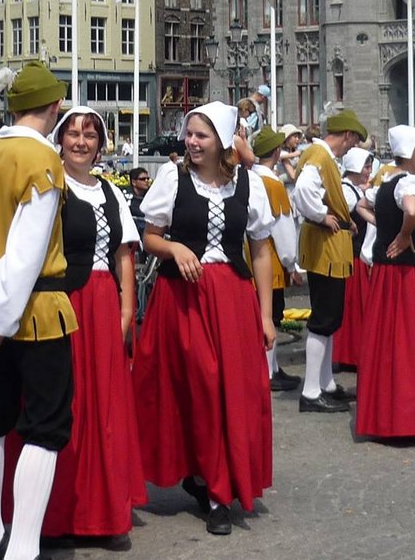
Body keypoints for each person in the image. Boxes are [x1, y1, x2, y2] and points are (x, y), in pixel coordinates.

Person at [0, 61, 85, 560]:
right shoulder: (43, 161)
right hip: (34, 312)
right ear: (54, 107)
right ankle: (23, 556)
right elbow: (27, 253)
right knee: (45, 426)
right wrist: (3, 319)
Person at [133, 101, 276, 537]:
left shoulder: (249, 186)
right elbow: (149, 236)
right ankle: (206, 478)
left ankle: (218, 490)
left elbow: (262, 251)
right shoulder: (172, 180)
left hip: (232, 298)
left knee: (232, 392)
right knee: (200, 387)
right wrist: (175, 248)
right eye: (190, 134)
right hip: (184, 299)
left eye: (201, 135)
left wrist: (267, 316)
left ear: (223, 141)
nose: (192, 142)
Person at [8, 104, 145, 540]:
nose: (81, 143)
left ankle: (101, 512)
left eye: (90, 135)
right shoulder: (51, 184)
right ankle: (54, 515)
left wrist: (125, 309)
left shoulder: (111, 192)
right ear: (60, 139)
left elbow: (123, 252)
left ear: (101, 144)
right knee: (61, 403)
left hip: (102, 304)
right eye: (74, 134)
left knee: (102, 405)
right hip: (61, 302)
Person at [355, 125, 415, 442]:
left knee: (387, 342)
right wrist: (404, 233)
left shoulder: (385, 182)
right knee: (413, 341)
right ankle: (414, 418)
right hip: (408, 274)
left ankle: (387, 416)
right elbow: (412, 209)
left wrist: (386, 228)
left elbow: (360, 205)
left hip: (385, 274)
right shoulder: (409, 182)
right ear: (408, 152)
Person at [291, 108, 369, 413]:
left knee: (330, 317)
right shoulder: (319, 157)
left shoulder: (322, 157)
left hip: (329, 248)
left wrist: (338, 215)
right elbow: (303, 191)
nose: (352, 147)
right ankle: (311, 391)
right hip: (325, 247)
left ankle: (325, 383)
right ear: (347, 134)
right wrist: (321, 216)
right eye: (353, 141)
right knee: (324, 318)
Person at [251, 126, 302, 392]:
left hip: (249, 258)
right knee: (272, 314)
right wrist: (291, 263)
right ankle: (269, 371)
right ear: (277, 151)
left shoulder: (248, 178)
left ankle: (270, 368)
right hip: (270, 259)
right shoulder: (272, 184)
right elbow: (283, 229)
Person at [330, 146, 376, 372]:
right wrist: (349, 223)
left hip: (357, 256)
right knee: (352, 309)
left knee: (357, 309)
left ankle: (353, 353)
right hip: (352, 256)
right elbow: (335, 212)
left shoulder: (355, 189)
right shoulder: (347, 191)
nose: (369, 170)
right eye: (366, 166)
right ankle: (349, 354)